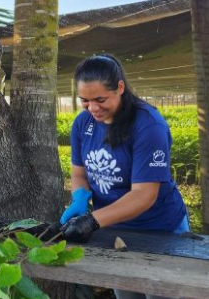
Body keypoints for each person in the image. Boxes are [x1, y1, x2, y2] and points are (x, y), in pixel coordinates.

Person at [59, 54, 189, 299]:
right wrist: (79, 199)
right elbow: (79, 173)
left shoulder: (148, 125)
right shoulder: (82, 124)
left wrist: (91, 221)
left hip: (159, 230)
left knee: (160, 294)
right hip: (113, 229)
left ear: (120, 87)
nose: (93, 108)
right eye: (85, 100)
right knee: (127, 294)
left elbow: (144, 195)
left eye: (100, 99)